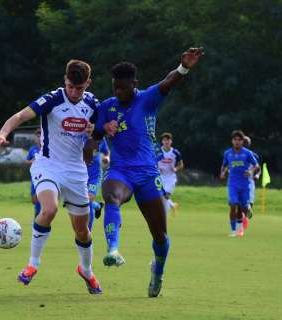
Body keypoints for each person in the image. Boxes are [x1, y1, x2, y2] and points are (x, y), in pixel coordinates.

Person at [92, 47, 204, 297]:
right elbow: (93, 135)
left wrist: (183, 67)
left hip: (147, 174)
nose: (117, 92)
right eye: (114, 88)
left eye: (122, 87)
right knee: (111, 195)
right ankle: (113, 250)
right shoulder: (107, 107)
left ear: (134, 84)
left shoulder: (147, 98)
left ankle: (158, 271)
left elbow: (168, 82)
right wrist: (102, 130)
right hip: (120, 171)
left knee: (160, 236)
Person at [0, 60, 103, 294]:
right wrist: (2, 133)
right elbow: (20, 116)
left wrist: (96, 134)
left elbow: (101, 134)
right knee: (49, 209)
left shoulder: (93, 104)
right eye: (71, 86)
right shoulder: (51, 99)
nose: (74, 92)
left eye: (79, 88)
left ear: (88, 84)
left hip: (76, 171)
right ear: (65, 80)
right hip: (48, 164)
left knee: (82, 230)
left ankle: (87, 270)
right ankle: (33, 264)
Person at [220, 130, 258, 237]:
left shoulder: (248, 153)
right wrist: (222, 173)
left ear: (242, 142)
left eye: (239, 140)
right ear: (232, 141)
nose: (237, 142)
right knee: (233, 205)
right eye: (235, 140)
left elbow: (257, 166)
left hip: (245, 184)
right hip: (233, 183)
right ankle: (233, 231)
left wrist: (251, 171)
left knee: (243, 208)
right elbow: (224, 165)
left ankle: (245, 217)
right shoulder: (228, 153)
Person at [85, 123, 110, 231]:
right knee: (77, 202)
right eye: (87, 122)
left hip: (94, 176)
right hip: (80, 175)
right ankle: (98, 206)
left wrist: (107, 158)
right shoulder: (78, 137)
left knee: (88, 200)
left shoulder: (100, 138)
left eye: (92, 123)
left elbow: (106, 152)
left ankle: (88, 233)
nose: (89, 124)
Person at [157, 132, 184, 214]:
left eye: (168, 140)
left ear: (171, 141)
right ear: (162, 141)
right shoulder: (157, 151)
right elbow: (152, 162)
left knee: (166, 196)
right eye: (164, 140)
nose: (166, 142)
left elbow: (181, 164)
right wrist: (157, 169)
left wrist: (175, 169)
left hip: (170, 177)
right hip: (160, 177)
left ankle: (164, 216)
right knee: (161, 197)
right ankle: (172, 205)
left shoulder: (175, 152)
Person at [239, 136, 261, 228]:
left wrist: (257, 175)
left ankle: (245, 216)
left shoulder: (254, 155)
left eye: (247, 143)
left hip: (250, 182)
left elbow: (259, 169)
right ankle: (241, 221)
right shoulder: (237, 155)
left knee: (250, 203)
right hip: (239, 181)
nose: (246, 144)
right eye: (244, 143)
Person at [25, 128, 41, 217]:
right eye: (37, 136)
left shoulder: (48, 148)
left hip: (45, 177)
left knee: (42, 198)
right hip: (34, 178)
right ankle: (38, 214)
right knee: (34, 200)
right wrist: (32, 161)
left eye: (40, 136)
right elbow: (27, 161)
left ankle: (39, 219)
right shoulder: (32, 149)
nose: (39, 138)